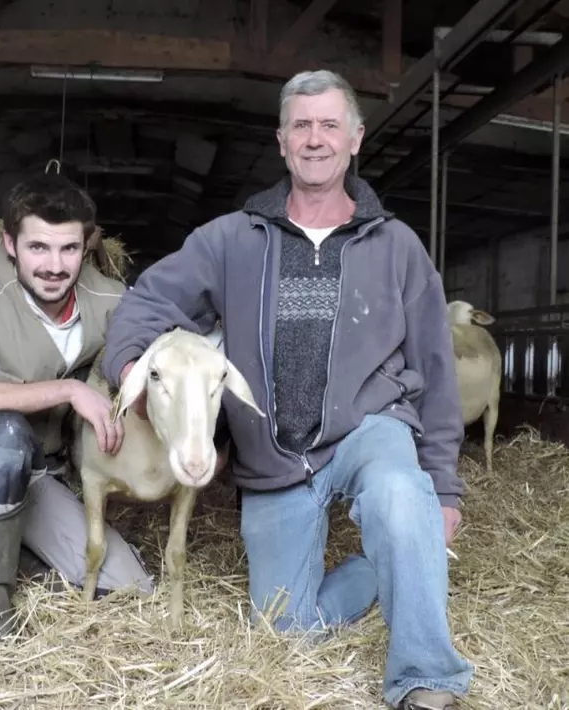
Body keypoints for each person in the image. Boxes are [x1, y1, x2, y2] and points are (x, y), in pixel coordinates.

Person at [99, 70, 474, 710]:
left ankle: (426, 678)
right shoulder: (230, 239)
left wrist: (442, 487)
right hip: (274, 458)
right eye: (302, 125)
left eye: (330, 124)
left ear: (355, 139)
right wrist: (133, 374)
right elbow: (145, 303)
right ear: (281, 141)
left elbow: (435, 370)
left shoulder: (398, 246)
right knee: (285, 629)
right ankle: (395, 571)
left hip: (368, 428)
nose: (316, 138)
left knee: (399, 490)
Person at [0, 173, 153, 641]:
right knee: (5, 432)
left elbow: (153, 353)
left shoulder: (109, 297)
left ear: (86, 246)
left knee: (129, 586)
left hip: (45, 473)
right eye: (38, 248)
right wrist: (68, 392)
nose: (54, 265)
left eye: (68, 249)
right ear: (10, 242)